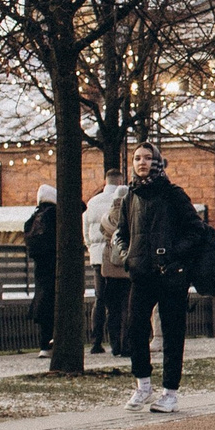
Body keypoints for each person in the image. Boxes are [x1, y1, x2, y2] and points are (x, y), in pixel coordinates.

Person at [117, 142, 201, 412]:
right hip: (142, 273)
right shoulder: (131, 197)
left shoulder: (173, 194)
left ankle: (170, 392)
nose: (142, 163)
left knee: (173, 333)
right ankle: (143, 385)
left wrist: (173, 254)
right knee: (135, 327)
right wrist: (126, 256)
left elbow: (195, 230)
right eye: (137, 158)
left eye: (147, 158)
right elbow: (120, 233)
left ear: (157, 162)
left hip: (171, 275)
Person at [82, 171, 130, 356]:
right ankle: (120, 342)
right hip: (120, 257)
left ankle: (96, 342)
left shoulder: (92, 202)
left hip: (98, 258)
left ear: (105, 181)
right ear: (120, 181)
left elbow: (86, 231)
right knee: (123, 300)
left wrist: (91, 248)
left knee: (100, 299)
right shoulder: (125, 199)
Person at [23, 185, 59, 350]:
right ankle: (52, 341)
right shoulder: (54, 215)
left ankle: (44, 343)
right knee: (54, 301)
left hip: (40, 266)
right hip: (55, 263)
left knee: (43, 300)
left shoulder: (32, 219)